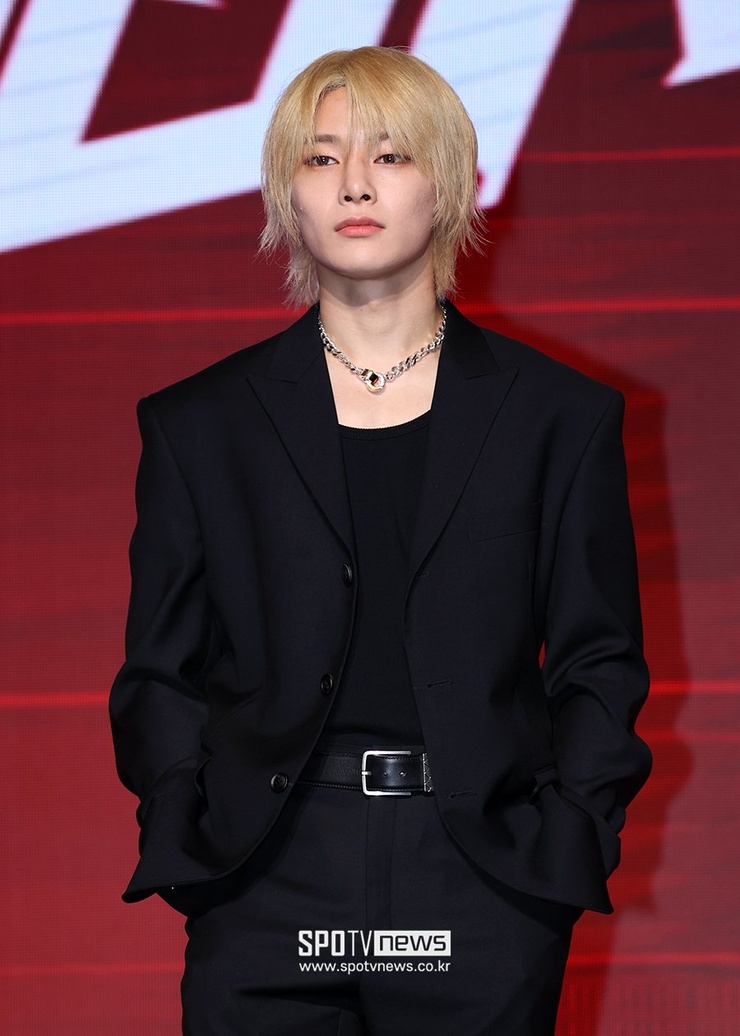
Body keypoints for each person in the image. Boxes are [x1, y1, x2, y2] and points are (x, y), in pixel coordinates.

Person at [110, 46, 651, 1035]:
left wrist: (567, 836)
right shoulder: (199, 425)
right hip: (268, 871)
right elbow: (159, 671)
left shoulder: (557, 417)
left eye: (391, 155)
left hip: (481, 874)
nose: (353, 184)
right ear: (286, 193)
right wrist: (189, 826)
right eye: (320, 159)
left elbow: (598, 658)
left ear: (449, 183)